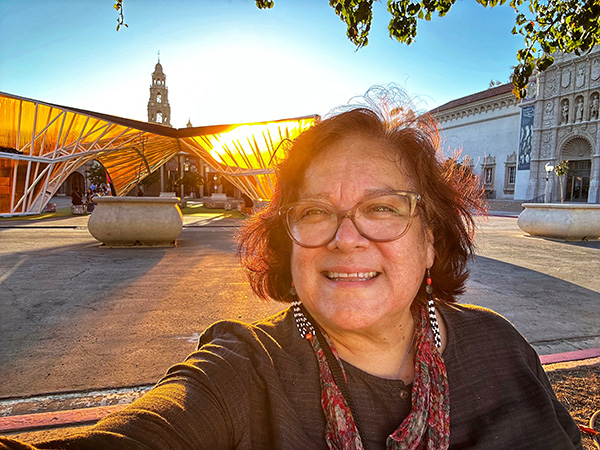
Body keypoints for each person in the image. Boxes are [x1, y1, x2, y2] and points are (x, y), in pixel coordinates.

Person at [0, 87, 582, 450]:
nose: (345, 238)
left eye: (381, 208)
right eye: (314, 211)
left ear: (432, 241)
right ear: (289, 241)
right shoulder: (243, 375)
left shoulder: (503, 349)